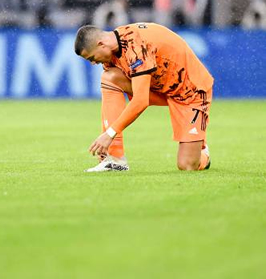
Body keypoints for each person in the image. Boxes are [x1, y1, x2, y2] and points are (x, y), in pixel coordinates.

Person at [73, 22, 213, 172]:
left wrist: (109, 134)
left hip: (190, 92)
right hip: (159, 87)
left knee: (187, 166)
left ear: (101, 44)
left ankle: (202, 152)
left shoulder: (136, 45)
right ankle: (115, 159)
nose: (93, 63)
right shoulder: (111, 53)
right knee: (109, 77)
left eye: (92, 58)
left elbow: (141, 101)